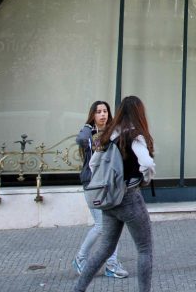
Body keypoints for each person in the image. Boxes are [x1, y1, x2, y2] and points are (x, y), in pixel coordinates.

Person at [73, 95, 156, 292]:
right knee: (145, 249)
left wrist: (108, 183)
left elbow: (93, 164)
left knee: (104, 249)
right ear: (139, 113)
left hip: (110, 200)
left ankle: (78, 289)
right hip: (130, 198)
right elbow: (147, 163)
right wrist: (146, 178)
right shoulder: (135, 135)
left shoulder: (109, 134)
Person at [73, 100, 128, 278]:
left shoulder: (113, 132)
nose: (103, 114)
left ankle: (111, 264)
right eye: (98, 112)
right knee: (101, 225)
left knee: (113, 225)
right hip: (93, 185)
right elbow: (81, 140)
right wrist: (88, 126)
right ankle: (80, 258)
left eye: (105, 111)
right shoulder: (89, 133)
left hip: (111, 184)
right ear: (93, 115)